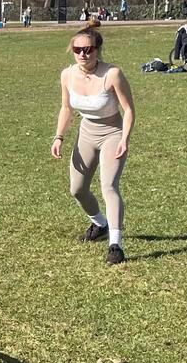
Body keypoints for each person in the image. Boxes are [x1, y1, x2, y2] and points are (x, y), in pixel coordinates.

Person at [51, 23, 135, 266]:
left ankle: (115, 245)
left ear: (97, 50)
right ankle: (100, 224)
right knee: (77, 189)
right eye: (77, 50)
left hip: (112, 132)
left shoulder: (112, 74)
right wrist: (58, 137)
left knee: (109, 186)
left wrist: (124, 139)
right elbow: (66, 108)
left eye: (88, 49)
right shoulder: (67, 75)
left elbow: (129, 110)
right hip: (86, 132)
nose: (82, 55)